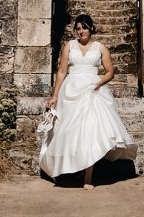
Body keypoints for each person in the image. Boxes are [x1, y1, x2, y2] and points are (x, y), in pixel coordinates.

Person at [39, 13, 137, 189]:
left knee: (89, 133)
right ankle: (65, 169)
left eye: (84, 27)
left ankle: (88, 178)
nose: (80, 31)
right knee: (68, 131)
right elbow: (61, 72)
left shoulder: (101, 48)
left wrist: (99, 83)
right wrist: (54, 95)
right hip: (71, 91)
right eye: (77, 28)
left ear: (91, 28)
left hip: (92, 91)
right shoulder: (69, 46)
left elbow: (110, 71)